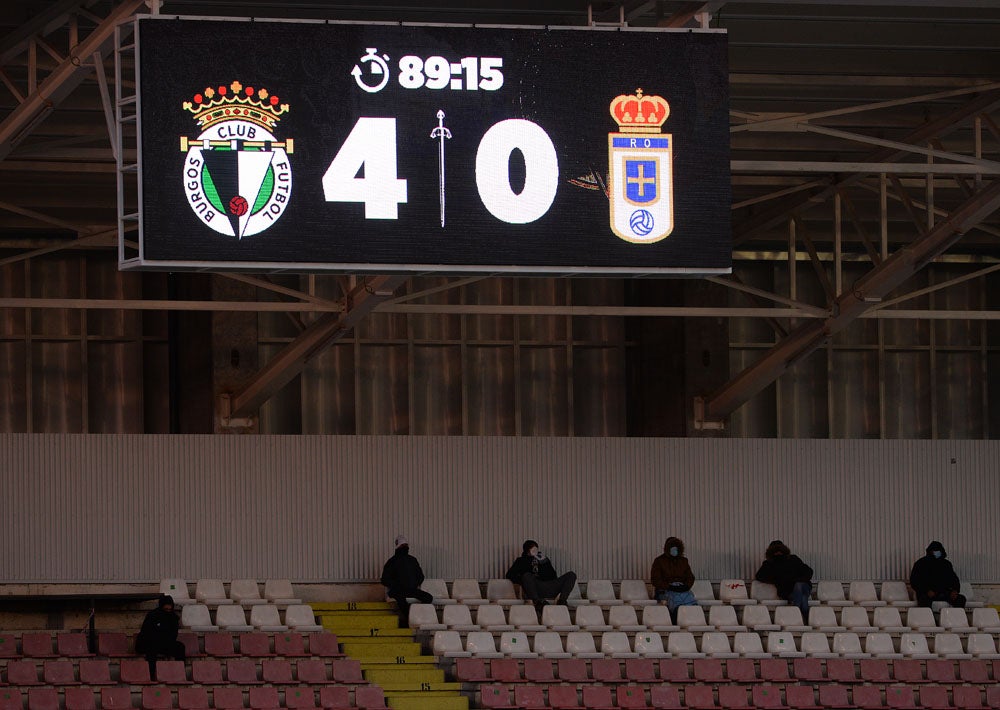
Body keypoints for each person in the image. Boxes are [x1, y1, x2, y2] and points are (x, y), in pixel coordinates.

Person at [505, 539, 577, 613]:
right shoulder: (521, 561)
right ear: (527, 551)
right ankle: (538, 602)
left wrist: (545, 563)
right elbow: (510, 575)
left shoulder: (543, 559)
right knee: (527, 575)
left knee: (571, 575)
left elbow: (553, 576)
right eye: (531, 549)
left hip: (548, 585)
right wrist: (523, 580)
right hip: (534, 587)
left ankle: (562, 600)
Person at [381, 535, 433, 626]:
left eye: (406, 545)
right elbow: (385, 579)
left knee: (428, 598)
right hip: (399, 590)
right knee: (403, 601)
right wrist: (399, 585)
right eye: (403, 545)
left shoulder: (399, 561)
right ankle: (412, 618)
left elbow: (420, 576)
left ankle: (412, 616)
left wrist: (412, 584)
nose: (405, 547)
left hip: (407, 590)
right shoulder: (397, 561)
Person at [754, 540, 813, 620]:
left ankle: (796, 614)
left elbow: (808, 571)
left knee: (798, 586)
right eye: (776, 551)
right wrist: (775, 579)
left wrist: (798, 580)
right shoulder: (769, 564)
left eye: (779, 551)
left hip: (801, 587)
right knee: (803, 598)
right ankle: (804, 617)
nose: (778, 553)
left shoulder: (793, 559)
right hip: (789, 592)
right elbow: (759, 576)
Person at [135, 594, 185, 678]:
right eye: (166, 609)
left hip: (164, 643)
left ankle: (180, 674)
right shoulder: (152, 615)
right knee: (151, 649)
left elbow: (173, 635)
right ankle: (152, 676)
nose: (168, 611)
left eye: (170, 609)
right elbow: (146, 632)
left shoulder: (173, 618)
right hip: (149, 642)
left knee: (180, 647)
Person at [650, 536, 697, 620]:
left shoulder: (683, 561)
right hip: (665, 590)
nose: (674, 550)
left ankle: (691, 619)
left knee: (690, 599)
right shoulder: (659, 561)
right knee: (676, 600)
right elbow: (655, 580)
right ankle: (677, 618)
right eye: (672, 548)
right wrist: (669, 586)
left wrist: (686, 586)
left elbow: (690, 577)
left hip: (682, 588)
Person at [910, 540, 966, 608]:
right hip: (927, 593)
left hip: (944, 592)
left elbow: (954, 579)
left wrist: (955, 590)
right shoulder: (921, 564)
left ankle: (956, 618)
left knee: (961, 599)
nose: (936, 552)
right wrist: (926, 591)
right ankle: (928, 618)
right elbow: (914, 581)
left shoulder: (946, 564)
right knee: (924, 600)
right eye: (934, 550)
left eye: (938, 550)